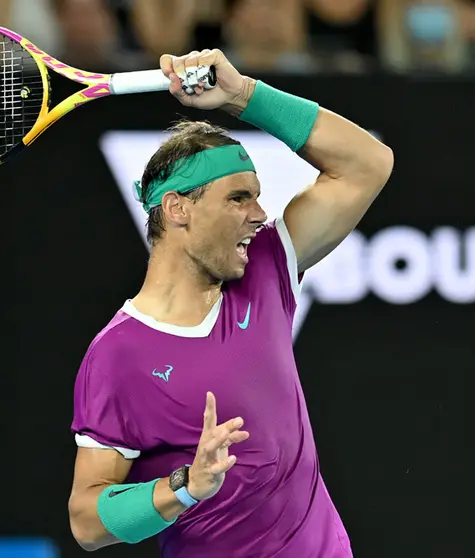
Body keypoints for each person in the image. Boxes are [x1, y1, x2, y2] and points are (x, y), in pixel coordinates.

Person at [67, 47, 394, 557]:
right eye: (238, 198)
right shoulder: (117, 355)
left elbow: (367, 164)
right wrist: (183, 487)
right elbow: (88, 522)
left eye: (258, 196)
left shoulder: (268, 269)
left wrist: (242, 96)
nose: (261, 214)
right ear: (178, 208)